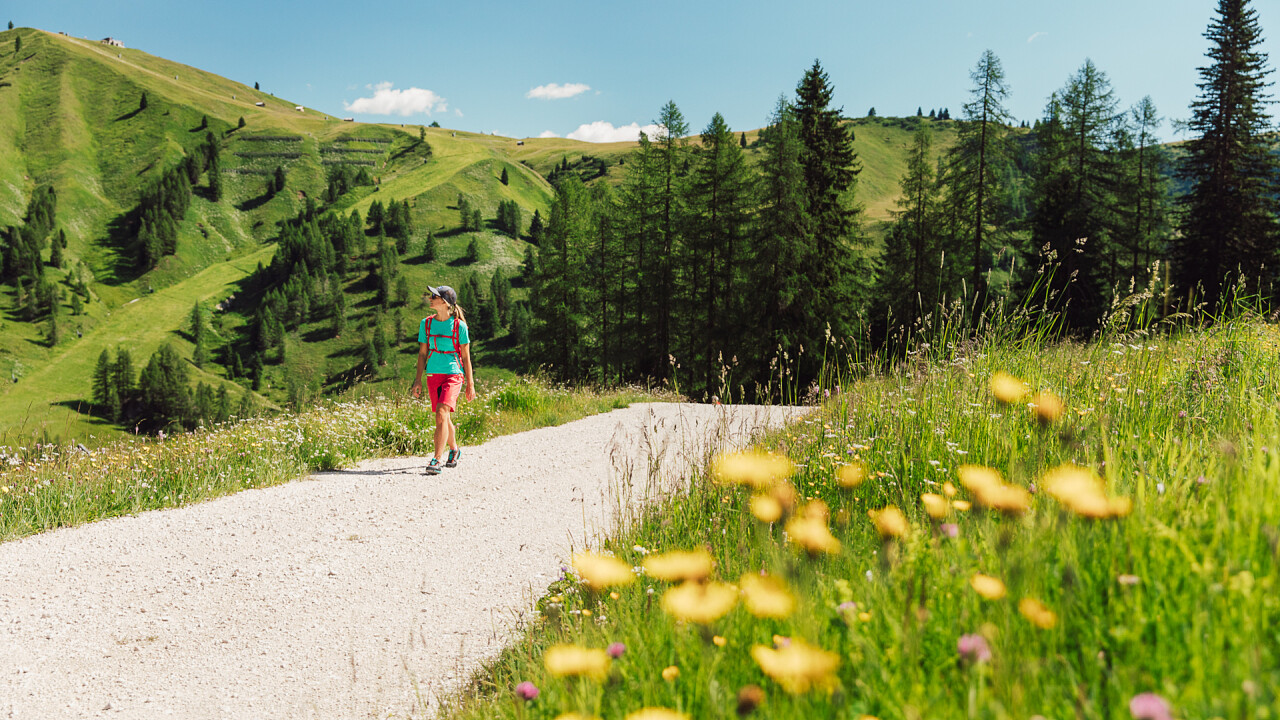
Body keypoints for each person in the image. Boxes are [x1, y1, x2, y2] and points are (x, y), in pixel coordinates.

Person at [409, 285, 475, 476]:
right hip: (433, 374)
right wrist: (417, 380)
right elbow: (422, 354)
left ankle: (436, 459)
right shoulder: (426, 324)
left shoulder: (459, 326)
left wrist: (470, 384)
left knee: (441, 412)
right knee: (443, 417)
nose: (430, 298)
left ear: (445, 303)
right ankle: (454, 449)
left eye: (434, 296)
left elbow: (466, 357)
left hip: (453, 374)